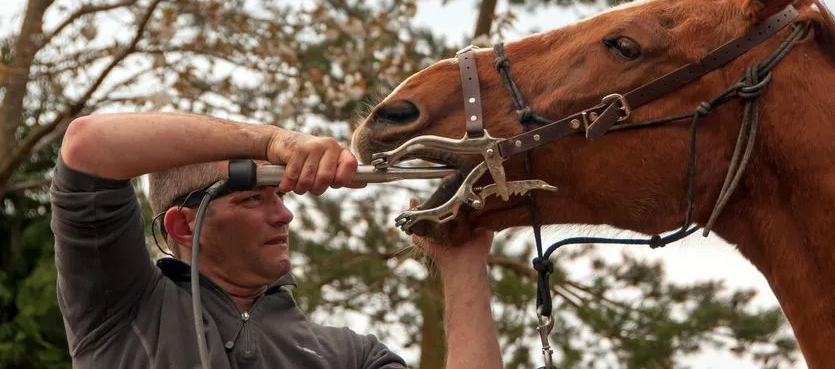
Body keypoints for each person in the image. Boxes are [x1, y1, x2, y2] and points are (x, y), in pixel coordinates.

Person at [50, 112, 503, 368]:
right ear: (184, 227)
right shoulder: (126, 310)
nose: (284, 215)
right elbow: (88, 145)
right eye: (253, 199)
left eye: (282, 197)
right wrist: (273, 143)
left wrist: (462, 260)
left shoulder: (349, 356)